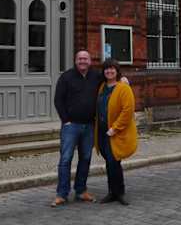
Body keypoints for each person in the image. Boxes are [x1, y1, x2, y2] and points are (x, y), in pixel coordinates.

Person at [52, 50, 128, 207]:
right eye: (80, 58)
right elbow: (58, 100)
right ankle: (62, 194)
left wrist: (124, 79)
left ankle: (81, 190)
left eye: (85, 58)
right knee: (65, 159)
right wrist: (65, 120)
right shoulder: (66, 77)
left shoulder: (96, 76)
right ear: (75, 60)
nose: (82, 61)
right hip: (71, 126)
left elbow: (111, 79)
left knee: (85, 159)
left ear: (90, 61)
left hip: (89, 126)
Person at [95, 58, 137, 206]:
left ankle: (119, 192)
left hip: (115, 132)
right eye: (106, 69)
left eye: (112, 68)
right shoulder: (102, 87)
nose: (109, 71)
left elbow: (127, 111)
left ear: (117, 71)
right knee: (109, 162)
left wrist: (115, 128)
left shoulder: (123, 88)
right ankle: (112, 191)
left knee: (114, 161)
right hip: (102, 132)